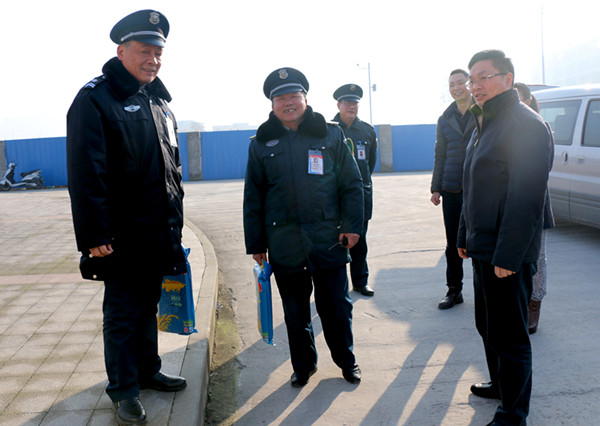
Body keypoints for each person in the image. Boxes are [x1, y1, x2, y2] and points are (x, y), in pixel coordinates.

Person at [66, 10, 187, 425]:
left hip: (157, 229)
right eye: (144, 51)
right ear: (121, 52)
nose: (152, 60)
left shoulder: (159, 102)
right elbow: (86, 172)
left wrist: (175, 225)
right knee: (121, 313)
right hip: (118, 234)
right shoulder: (96, 98)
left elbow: (170, 170)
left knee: (148, 305)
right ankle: (123, 389)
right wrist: (93, 234)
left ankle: (148, 370)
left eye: (158, 53)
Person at [243, 67, 364, 387]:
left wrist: (352, 226)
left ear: (305, 99)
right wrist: (256, 243)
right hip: (284, 241)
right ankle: (303, 365)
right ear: (272, 105)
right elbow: (253, 196)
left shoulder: (330, 134)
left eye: (294, 96)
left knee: (336, 308)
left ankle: (346, 361)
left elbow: (351, 184)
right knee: (295, 312)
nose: (288, 102)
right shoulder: (261, 143)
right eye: (280, 98)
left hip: (328, 238)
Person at [458, 50, 553, 426]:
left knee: (511, 336)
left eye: (484, 77)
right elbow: (471, 186)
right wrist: (464, 234)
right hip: (483, 246)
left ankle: (514, 414)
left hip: (506, 254)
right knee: (488, 326)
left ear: (508, 79)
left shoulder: (524, 125)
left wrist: (508, 256)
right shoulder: (483, 123)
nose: (475, 86)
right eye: (472, 79)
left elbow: (526, 199)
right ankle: (500, 385)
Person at [430, 69, 475, 309]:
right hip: (451, 190)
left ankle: (485, 291)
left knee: (479, 241)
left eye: (460, 82)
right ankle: (454, 291)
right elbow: (440, 154)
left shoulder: (483, 112)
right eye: (452, 84)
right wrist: (436, 187)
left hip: (478, 189)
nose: (456, 88)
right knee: (453, 244)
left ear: (470, 84)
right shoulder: (445, 118)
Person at [515, 82, 555, 334]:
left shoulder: (539, 127)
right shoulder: (501, 129)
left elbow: (542, 171)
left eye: (518, 98)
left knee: (537, 259)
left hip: (535, 205)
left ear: (528, 102)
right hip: (509, 208)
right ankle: (518, 304)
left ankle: (534, 304)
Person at [332, 84, 378, 297]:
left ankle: (360, 281)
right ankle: (337, 285)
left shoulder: (367, 130)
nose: (351, 107)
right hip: (335, 195)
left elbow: (370, 162)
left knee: (359, 239)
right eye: (347, 103)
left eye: (355, 103)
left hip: (360, 195)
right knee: (335, 241)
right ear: (339, 105)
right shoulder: (330, 130)